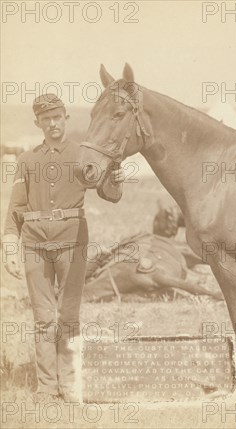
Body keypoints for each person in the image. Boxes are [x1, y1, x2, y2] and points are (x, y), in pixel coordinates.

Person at [1, 94, 124, 403]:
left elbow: (109, 194)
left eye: (57, 117)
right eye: (46, 119)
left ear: (66, 117)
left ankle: (68, 386)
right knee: (43, 319)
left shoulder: (82, 155)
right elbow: (15, 209)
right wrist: (9, 248)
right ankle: (46, 388)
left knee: (68, 317)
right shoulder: (27, 160)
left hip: (72, 243)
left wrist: (116, 175)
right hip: (35, 245)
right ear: (38, 123)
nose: (52, 123)